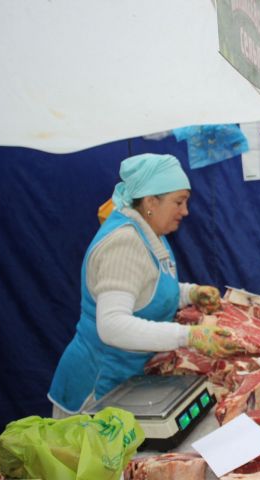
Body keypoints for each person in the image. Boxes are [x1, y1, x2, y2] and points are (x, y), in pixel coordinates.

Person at [49, 153, 236, 416]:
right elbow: (112, 325)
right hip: (95, 391)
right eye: (179, 202)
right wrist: (188, 336)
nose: (185, 211)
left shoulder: (150, 232)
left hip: (126, 382)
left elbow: (148, 288)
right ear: (150, 201)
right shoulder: (124, 242)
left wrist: (189, 293)